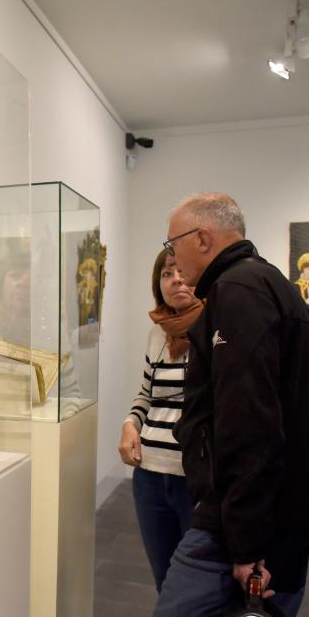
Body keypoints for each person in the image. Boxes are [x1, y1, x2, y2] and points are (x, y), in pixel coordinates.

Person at [141, 192, 309, 617]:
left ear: (203, 238)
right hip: (279, 512)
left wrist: (247, 541)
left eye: (174, 245)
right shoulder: (263, 283)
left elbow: (248, 423)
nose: (171, 258)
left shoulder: (239, 290)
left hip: (247, 522)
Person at [120, 249, 202, 592]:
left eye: (182, 272)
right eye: (167, 274)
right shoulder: (157, 332)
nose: (176, 280)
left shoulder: (216, 330)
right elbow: (146, 395)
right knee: (164, 581)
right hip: (150, 477)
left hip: (194, 479)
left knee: (198, 581)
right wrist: (129, 425)